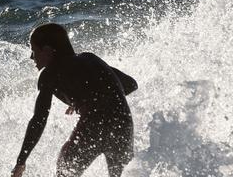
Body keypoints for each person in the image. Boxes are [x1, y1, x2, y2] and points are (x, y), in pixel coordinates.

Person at [12, 23, 138, 177]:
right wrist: (86, 97)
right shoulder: (90, 58)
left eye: (33, 51)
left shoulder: (48, 73)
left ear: (46, 51)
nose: (32, 57)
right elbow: (130, 84)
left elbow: (39, 119)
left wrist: (21, 162)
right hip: (123, 124)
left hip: (93, 126)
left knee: (64, 173)